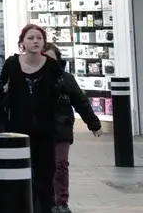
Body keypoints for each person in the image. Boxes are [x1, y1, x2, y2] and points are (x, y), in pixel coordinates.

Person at [0, 24, 66, 213]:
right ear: (22, 43)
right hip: (17, 130)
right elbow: (0, 94)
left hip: (45, 130)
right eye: (31, 38)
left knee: (45, 175)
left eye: (39, 38)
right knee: (21, 174)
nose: (35, 41)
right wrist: (0, 124)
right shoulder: (12, 64)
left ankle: (43, 208)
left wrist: (80, 121)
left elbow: (67, 94)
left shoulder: (52, 66)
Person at [44, 42, 102, 213]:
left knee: (60, 163)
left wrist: (93, 123)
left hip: (62, 126)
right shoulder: (33, 78)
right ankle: (46, 200)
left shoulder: (66, 78)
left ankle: (61, 202)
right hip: (39, 128)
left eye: (52, 59)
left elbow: (80, 101)